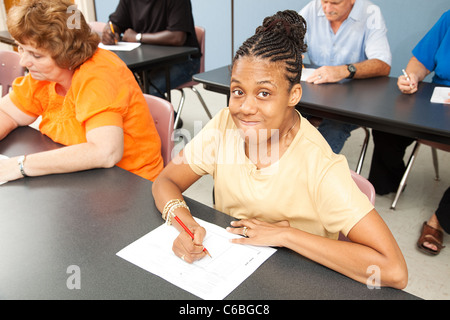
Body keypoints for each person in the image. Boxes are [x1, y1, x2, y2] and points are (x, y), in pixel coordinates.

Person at [152, 10, 408, 289]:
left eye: (264, 93)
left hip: (296, 281)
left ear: (294, 95)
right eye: (238, 91)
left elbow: (393, 270)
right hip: (229, 271)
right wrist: (186, 225)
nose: (246, 108)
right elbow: (166, 181)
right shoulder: (225, 124)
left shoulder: (318, 164)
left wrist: (288, 236)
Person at [0, 0, 163, 183]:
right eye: (21, 48)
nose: (23, 62)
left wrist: (20, 165)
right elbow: (6, 112)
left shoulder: (98, 74)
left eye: (36, 55)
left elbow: (105, 152)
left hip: (131, 183)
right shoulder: (43, 75)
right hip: (81, 178)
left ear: (66, 53)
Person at [367, 10, 450, 255]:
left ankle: (439, 220)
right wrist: (412, 77)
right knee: (388, 126)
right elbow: (421, 61)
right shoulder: (448, 18)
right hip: (436, 100)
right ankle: (388, 182)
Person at [299, 0, 391, 153]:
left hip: (352, 99)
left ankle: (314, 174)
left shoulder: (370, 13)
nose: (327, 8)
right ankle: (269, 169)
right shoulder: (312, 8)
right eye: (324, 2)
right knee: (280, 113)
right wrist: (289, 54)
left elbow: (383, 64)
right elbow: (287, 42)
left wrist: (344, 70)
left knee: (334, 126)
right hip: (315, 93)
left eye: (335, 3)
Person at [102, 0, 201, 100]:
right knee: (118, 86)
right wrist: (109, 31)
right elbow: (114, 23)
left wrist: (138, 37)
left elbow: (177, 37)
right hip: (146, 62)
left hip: (183, 61)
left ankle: (169, 115)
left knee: (148, 93)